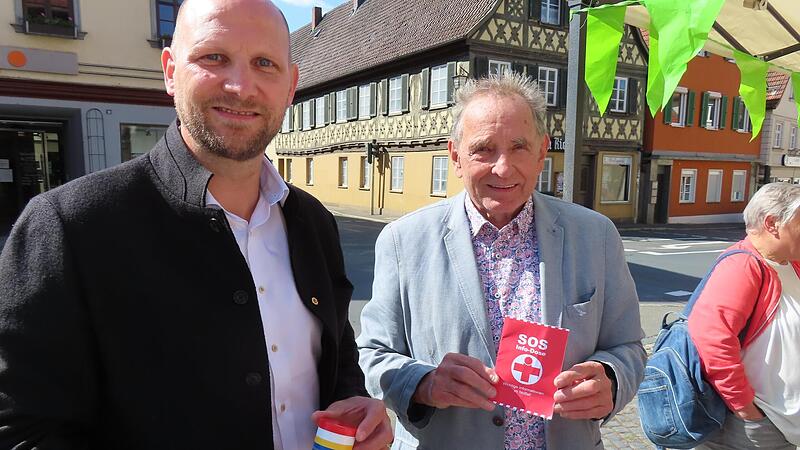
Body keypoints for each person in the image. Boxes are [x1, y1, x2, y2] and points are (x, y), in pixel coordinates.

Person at [0, 0, 391, 449]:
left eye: (265, 63)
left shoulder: (314, 222)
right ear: (170, 71)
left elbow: (338, 355)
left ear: (290, 86)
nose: (241, 87)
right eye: (213, 57)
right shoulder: (70, 226)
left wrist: (355, 403)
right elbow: (23, 431)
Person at [356, 73, 646, 449]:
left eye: (519, 147)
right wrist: (424, 384)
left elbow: (629, 347)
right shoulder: (403, 241)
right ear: (456, 156)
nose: (504, 168)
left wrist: (610, 378)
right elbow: (372, 355)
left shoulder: (595, 235)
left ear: (542, 152)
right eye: (484, 149)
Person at [690, 182, 800, 450]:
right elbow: (713, 344)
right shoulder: (743, 266)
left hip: (781, 424)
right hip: (757, 429)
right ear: (772, 224)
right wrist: (746, 411)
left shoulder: (790, 264)